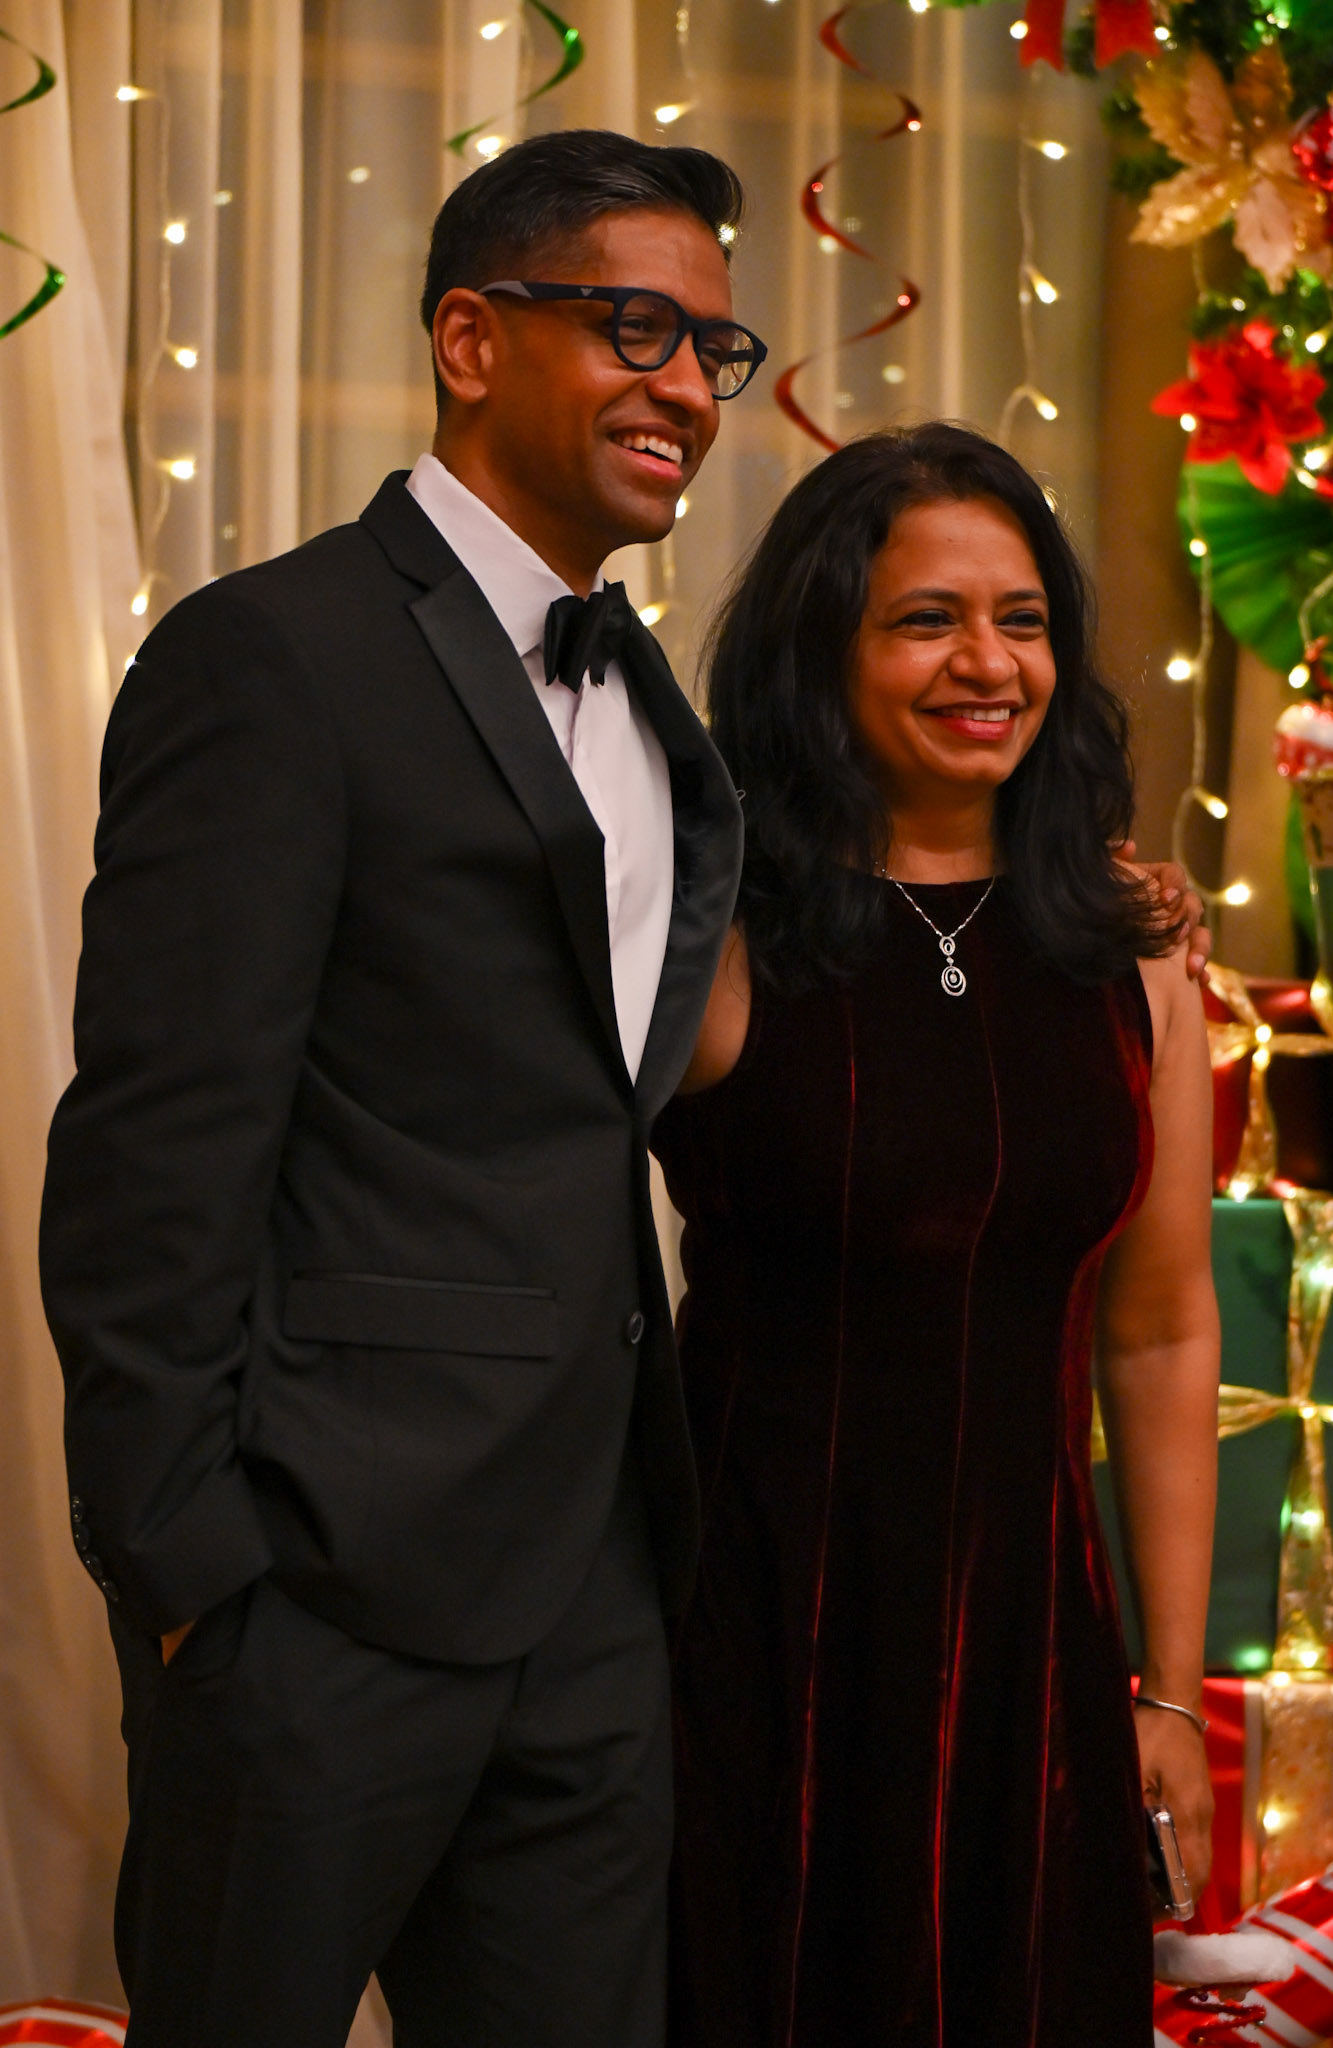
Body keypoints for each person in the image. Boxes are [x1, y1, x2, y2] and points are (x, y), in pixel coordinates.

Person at [38, 129, 757, 2046]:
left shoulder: (658, 715)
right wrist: (190, 1579)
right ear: (468, 338)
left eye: (712, 348)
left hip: (593, 1600)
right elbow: (152, 1157)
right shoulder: (272, 656)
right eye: (635, 328)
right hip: (312, 1605)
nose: (688, 386)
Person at [652, 423, 1220, 2048]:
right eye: (926, 620)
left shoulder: (1135, 954)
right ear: (820, 653)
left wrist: (1167, 1695)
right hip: (749, 1648)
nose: (988, 664)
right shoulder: (710, 934)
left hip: (1035, 1650)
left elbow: (1161, 1329)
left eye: (1021, 620)